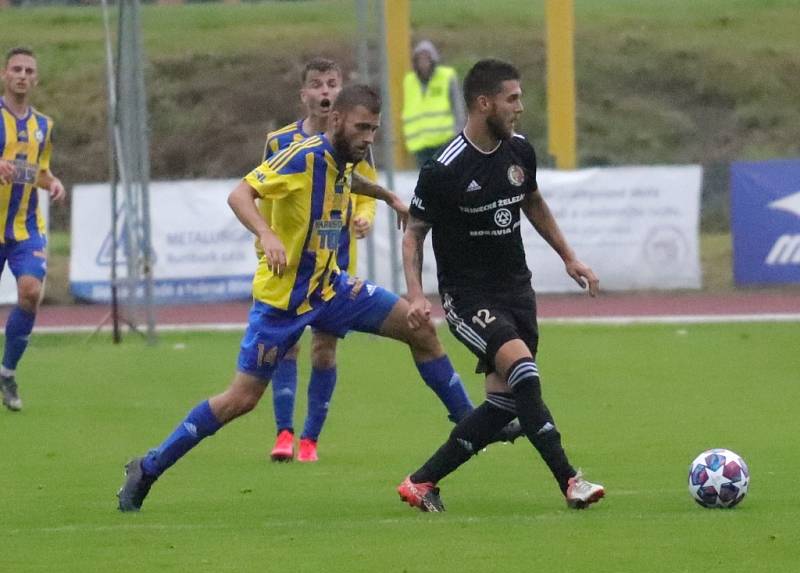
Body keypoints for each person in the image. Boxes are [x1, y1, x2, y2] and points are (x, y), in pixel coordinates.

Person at [117, 84, 479, 512]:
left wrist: (388, 197)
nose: (368, 138)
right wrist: (267, 233)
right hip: (282, 303)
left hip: (333, 287)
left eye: (375, 130)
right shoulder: (303, 156)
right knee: (241, 399)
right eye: (362, 128)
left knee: (420, 328)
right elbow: (240, 194)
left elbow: (349, 180)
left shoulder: (344, 160)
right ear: (338, 120)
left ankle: (473, 422)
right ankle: (150, 466)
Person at [397, 59, 605, 512]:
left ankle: (421, 482)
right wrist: (417, 294)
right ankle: (570, 480)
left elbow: (532, 201)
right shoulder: (444, 168)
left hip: (516, 291)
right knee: (524, 373)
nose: (520, 108)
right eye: (512, 99)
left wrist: (570, 257)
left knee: (505, 406)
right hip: (468, 297)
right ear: (483, 103)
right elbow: (413, 233)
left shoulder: (519, 152)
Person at [260, 58, 378, 463]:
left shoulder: (355, 138)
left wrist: (364, 215)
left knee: (324, 351)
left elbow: (366, 191)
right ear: (304, 95)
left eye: (332, 83)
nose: (325, 91)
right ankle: (283, 433)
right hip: (291, 267)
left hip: (337, 263)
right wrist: (266, 243)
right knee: (286, 346)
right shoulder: (279, 142)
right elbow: (261, 194)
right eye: (317, 85)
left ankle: (310, 438)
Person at [0, 47, 66, 412]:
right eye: (16, 69)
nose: (22, 75)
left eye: (28, 70)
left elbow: (39, 171)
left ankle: (7, 371)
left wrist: (53, 183)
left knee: (29, 292)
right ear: (4, 74)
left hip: (25, 229)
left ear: (35, 79)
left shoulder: (44, 125)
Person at [401, 40, 465, 168]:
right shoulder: (409, 81)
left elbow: (458, 106)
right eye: (420, 59)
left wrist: (458, 132)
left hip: (444, 140)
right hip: (419, 143)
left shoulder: (446, 76)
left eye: (426, 58)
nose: (423, 63)